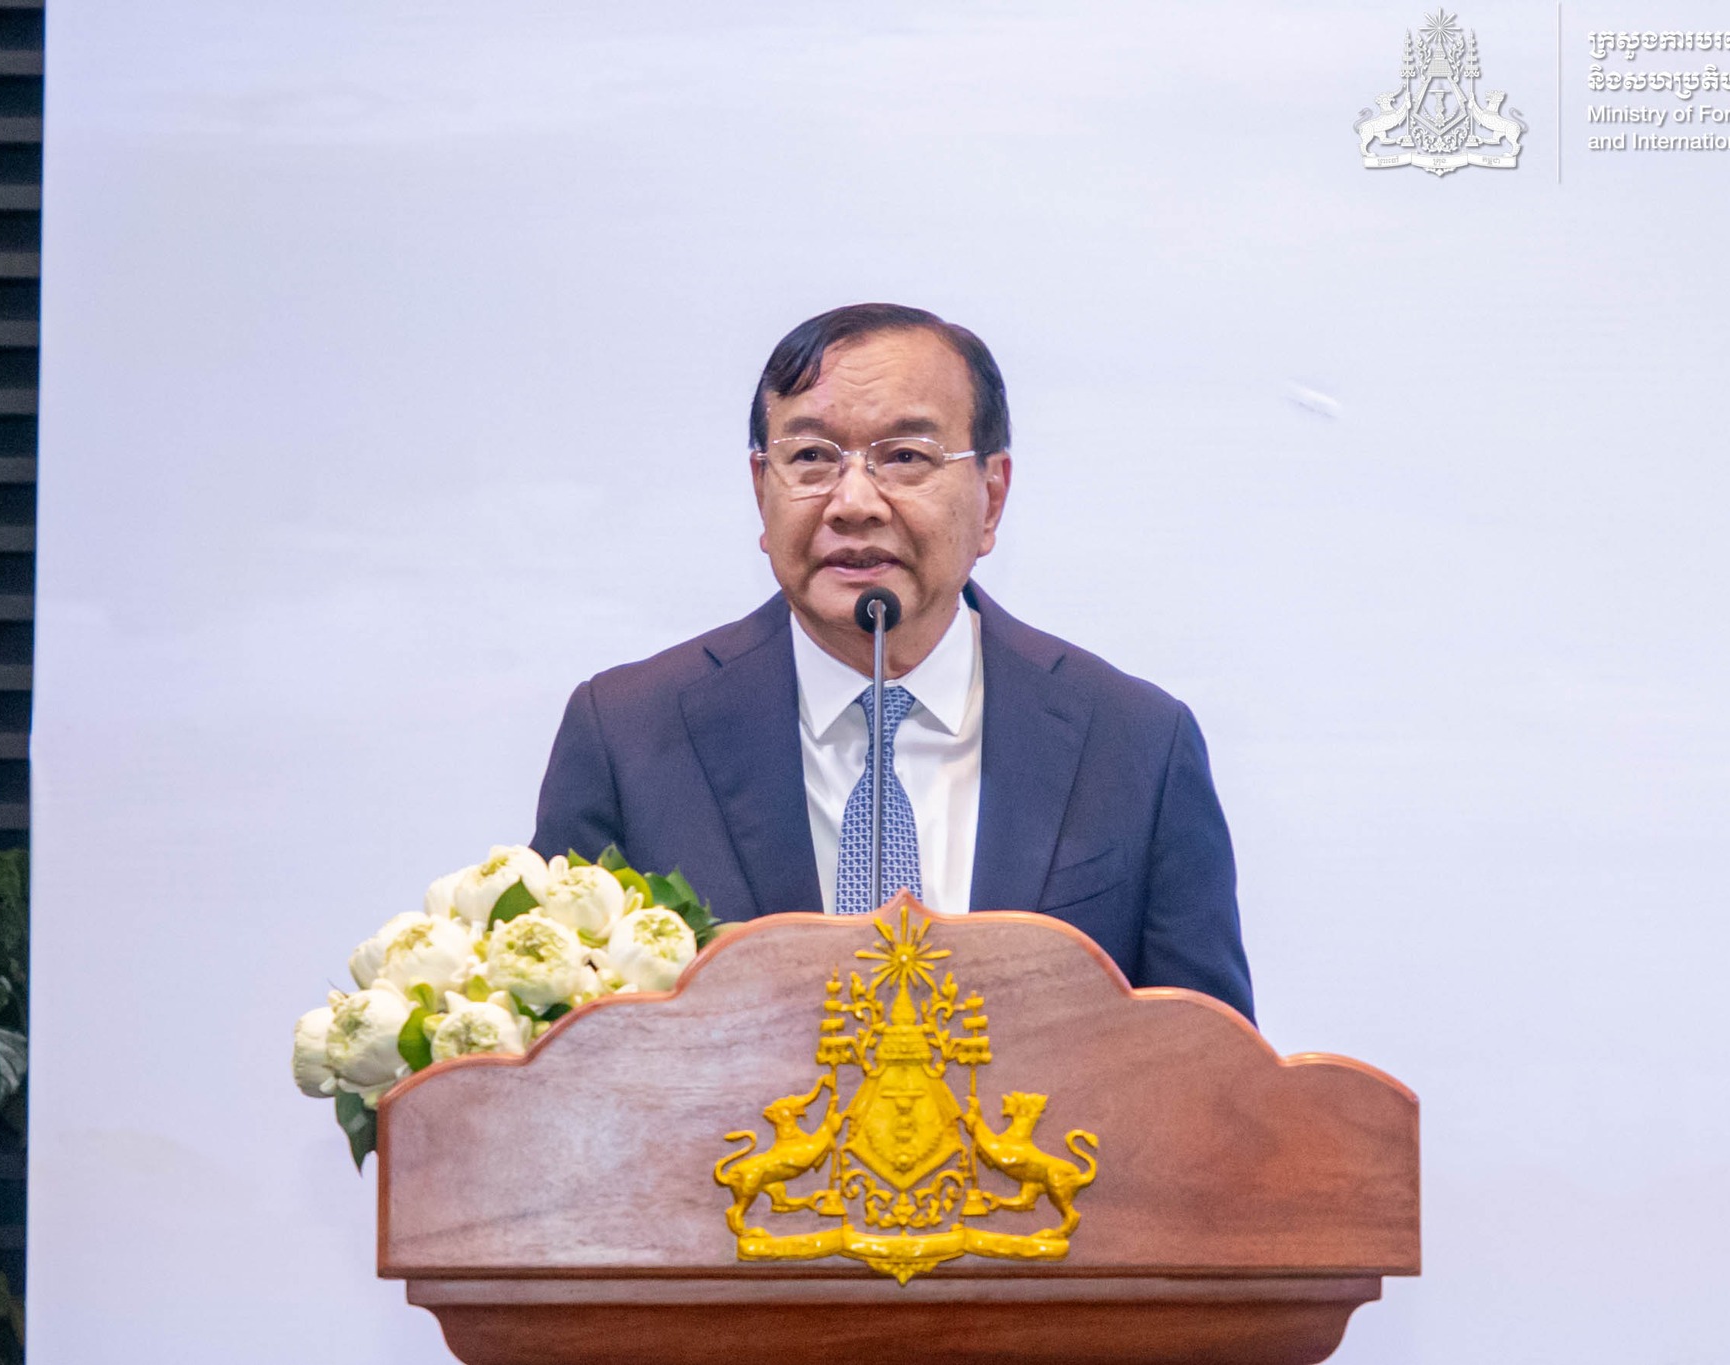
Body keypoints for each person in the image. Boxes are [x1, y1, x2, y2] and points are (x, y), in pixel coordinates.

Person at [531, 303, 1254, 1020]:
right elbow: (557, 1044)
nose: (853, 503)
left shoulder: (1133, 742)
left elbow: (1209, 1060)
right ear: (761, 489)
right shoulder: (628, 734)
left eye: (906, 457)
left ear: (991, 497)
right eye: (811, 457)